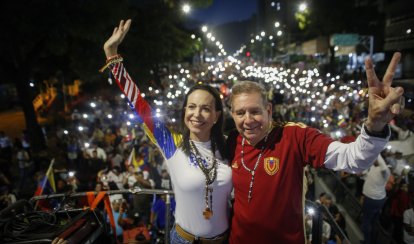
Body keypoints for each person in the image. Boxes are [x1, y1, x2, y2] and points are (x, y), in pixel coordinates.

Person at [226, 51, 404, 243]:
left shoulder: (295, 136)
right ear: (232, 114)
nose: (248, 120)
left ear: (269, 110)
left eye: (255, 111)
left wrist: (375, 124)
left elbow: (354, 159)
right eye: (240, 113)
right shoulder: (230, 142)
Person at [102, 19, 232, 243]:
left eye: (205, 109)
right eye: (191, 107)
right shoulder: (172, 143)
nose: (196, 114)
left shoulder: (231, 145)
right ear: (184, 112)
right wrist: (112, 54)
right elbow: (139, 105)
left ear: (216, 115)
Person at [361, 154, 390, 244]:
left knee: (366, 223)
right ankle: (373, 240)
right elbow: (369, 178)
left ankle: (367, 242)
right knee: (373, 221)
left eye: (374, 159)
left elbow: (383, 167)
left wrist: (377, 152)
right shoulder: (373, 167)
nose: (372, 160)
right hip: (372, 198)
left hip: (373, 200)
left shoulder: (385, 171)